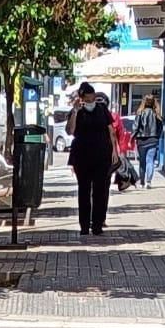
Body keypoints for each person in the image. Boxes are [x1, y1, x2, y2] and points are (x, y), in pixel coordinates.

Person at [66, 83, 117, 235]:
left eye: (91, 97)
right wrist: (75, 111)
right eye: (86, 98)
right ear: (81, 98)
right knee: (84, 191)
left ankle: (97, 224)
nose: (90, 100)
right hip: (82, 156)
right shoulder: (77, 112)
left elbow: (111, 131)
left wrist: (114, 151)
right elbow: (70, 131)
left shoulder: (102, 109)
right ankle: (84, 225)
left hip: (102, 156)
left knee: (100, 191)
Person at [133, 95, 163, 187]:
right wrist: (157, 137)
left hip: (141, 141)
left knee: (142, 162)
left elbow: (135, 127)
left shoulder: (140, 113)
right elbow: (160, 128)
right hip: (153, 140)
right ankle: (148, 182)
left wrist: (133, 136)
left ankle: (142, 182)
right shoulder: (156, 114)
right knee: (150, 161)